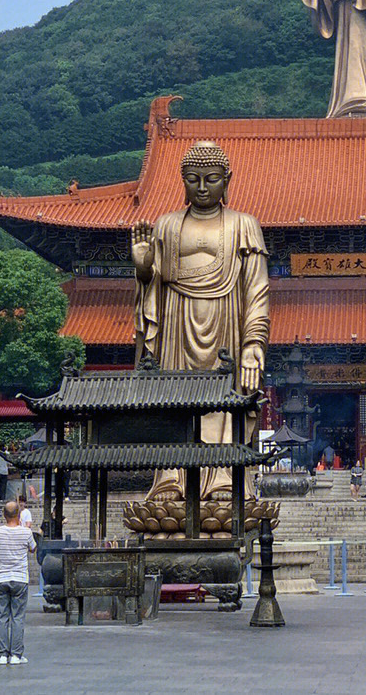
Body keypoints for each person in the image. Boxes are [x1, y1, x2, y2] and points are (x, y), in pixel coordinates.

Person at [132, 140, 270, 500]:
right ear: (182, 181)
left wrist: (254, 343)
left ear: (228, 179)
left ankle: (223, 474)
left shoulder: (244, 225)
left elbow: (257, 289)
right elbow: (153, 293)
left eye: (211, 179)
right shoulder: (166, 226)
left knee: (224, 400)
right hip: (177, 322)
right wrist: (144, 269)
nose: (203, 188)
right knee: (174, 399)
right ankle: (171, 477)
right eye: (193, 179)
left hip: (226, 321)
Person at [0, 499, 36, 665]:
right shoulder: (26, 532)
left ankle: (2, 654)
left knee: (2, 617)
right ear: (19, 514)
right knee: (17, 617)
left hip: (1, 578)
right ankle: (16, 654)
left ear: (4, 515)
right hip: (19, 578)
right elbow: (33, 548)